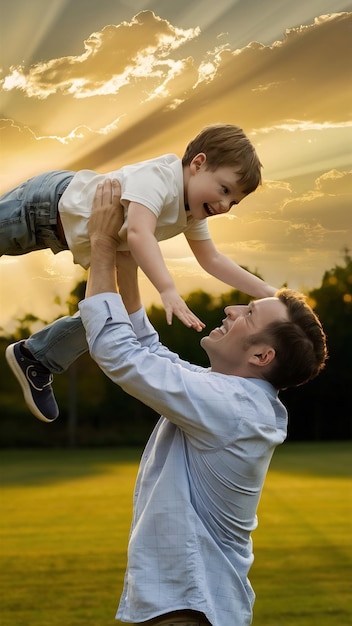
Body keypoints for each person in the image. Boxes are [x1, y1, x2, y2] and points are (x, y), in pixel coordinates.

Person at [77, 180, 328, 626]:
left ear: (261, 356)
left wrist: (99, 243)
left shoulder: (233, 407)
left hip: (190, 608)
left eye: (248, 314)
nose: (232, 310)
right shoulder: (234, 396)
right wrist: (125, 252)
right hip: (193, 606)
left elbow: (119, 353)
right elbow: (147, 349)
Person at [4, 124, 277, 423]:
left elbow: (212, 258)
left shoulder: (191, 211)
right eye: (224, 190)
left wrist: (270, 294)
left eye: (234, 201)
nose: (225, 205)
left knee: (110, 317)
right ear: (198, 164)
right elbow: (138, 233)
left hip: (64, 230)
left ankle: (36, 358)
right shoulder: (159, 177)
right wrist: (167, 289)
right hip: (43, 205)